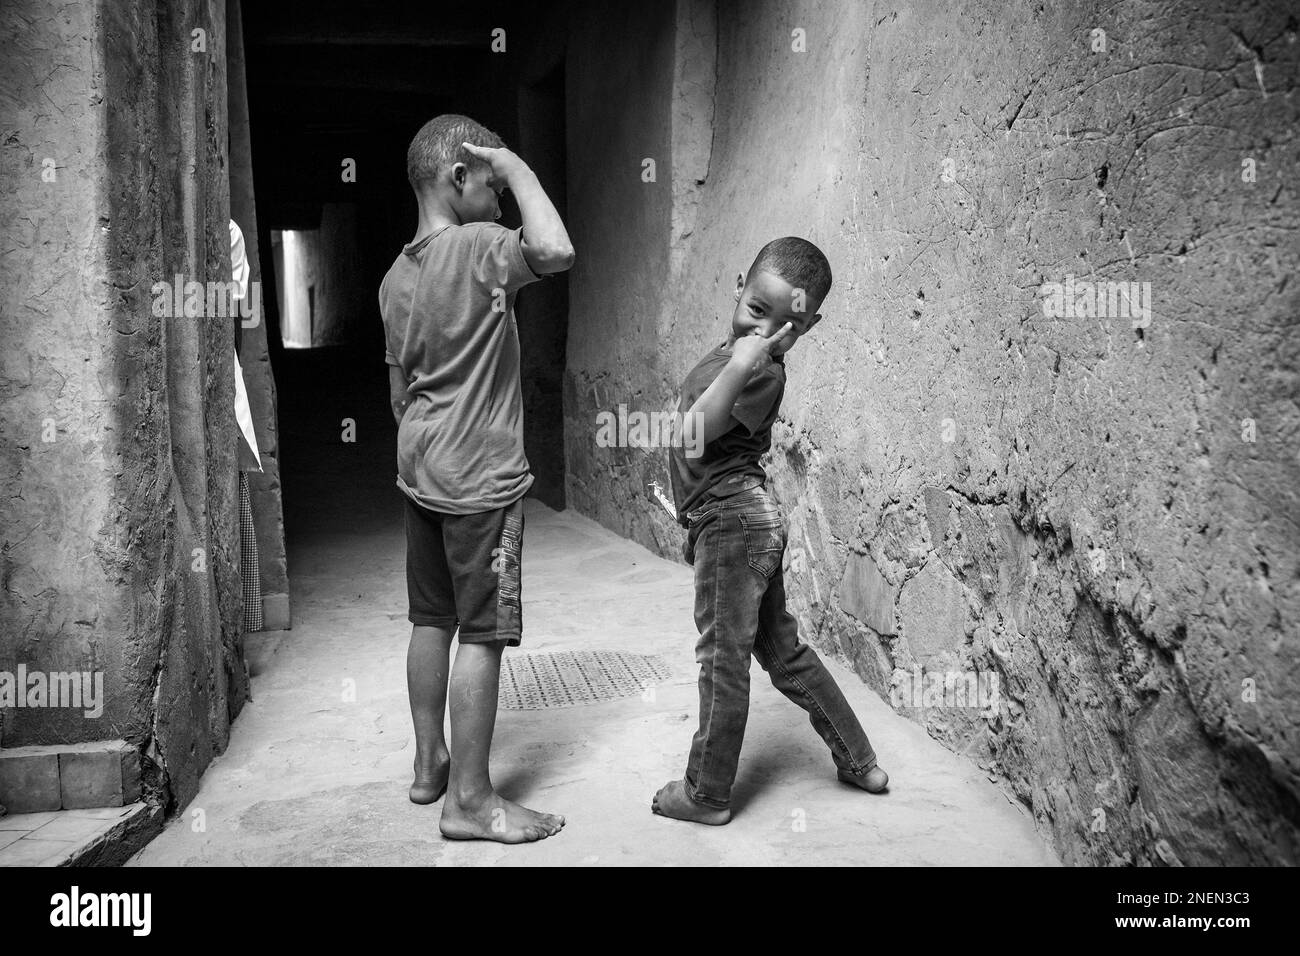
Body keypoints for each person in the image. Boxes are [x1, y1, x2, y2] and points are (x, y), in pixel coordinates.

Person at [379, 114, 574, 843]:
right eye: (491, 185)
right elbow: (555, 248)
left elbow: (398, 393)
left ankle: (430, 764)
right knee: (483, 634)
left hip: (420, 468)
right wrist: (519, 163)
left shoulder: (394, 277)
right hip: (479, 479)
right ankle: (470, 800)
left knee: (432, 619)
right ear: (458, 178)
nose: (499, 200)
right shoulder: (481, 248)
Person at [653, 237, 889, 825]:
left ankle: (707, 792)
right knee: (782, 649)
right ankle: (860, 761)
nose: (768, 332)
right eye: (758, 311)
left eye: (791, 325)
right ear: (740, 286)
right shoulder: (737, 354)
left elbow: (693, 436)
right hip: (744, 520)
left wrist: (741, 361)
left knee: (722, 657)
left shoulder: (759, 372)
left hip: (734, 523)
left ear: (806, 328)